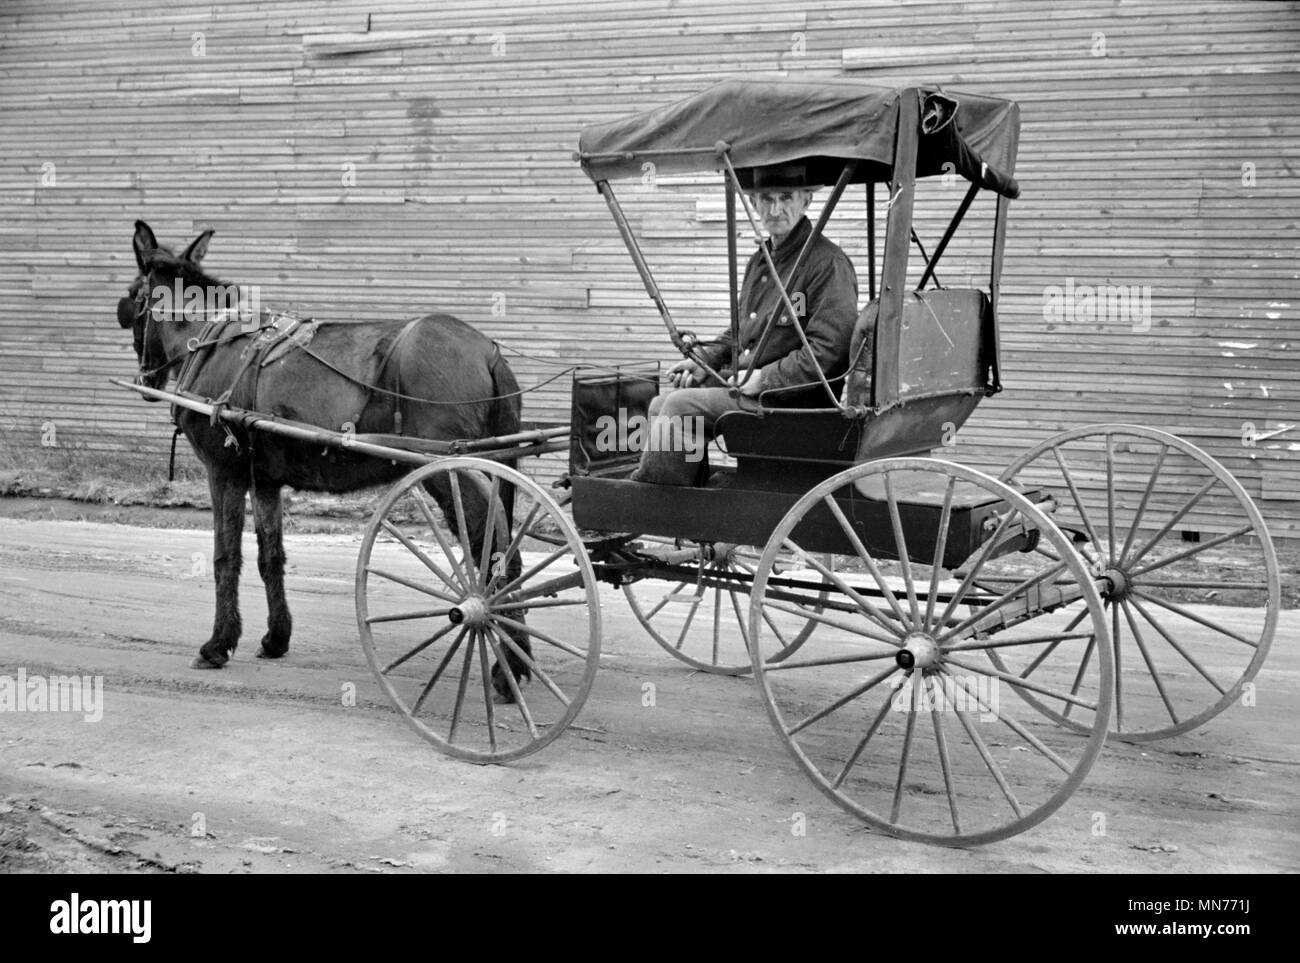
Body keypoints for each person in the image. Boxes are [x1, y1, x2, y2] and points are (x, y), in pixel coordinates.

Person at [629, 162, 860, 486]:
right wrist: (704, 361)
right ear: (753, 204)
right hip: (754, 394)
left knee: (681, 407)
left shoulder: (826, 264)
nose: (775, 208)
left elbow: (829, 352)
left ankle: (653, 502)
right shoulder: (762, 261)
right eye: (766, 198)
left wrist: (764, 379)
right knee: (660, 404)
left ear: (806, 200)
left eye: (786, 197)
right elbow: (740, 332)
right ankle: (685, 495)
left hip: (794, 405)